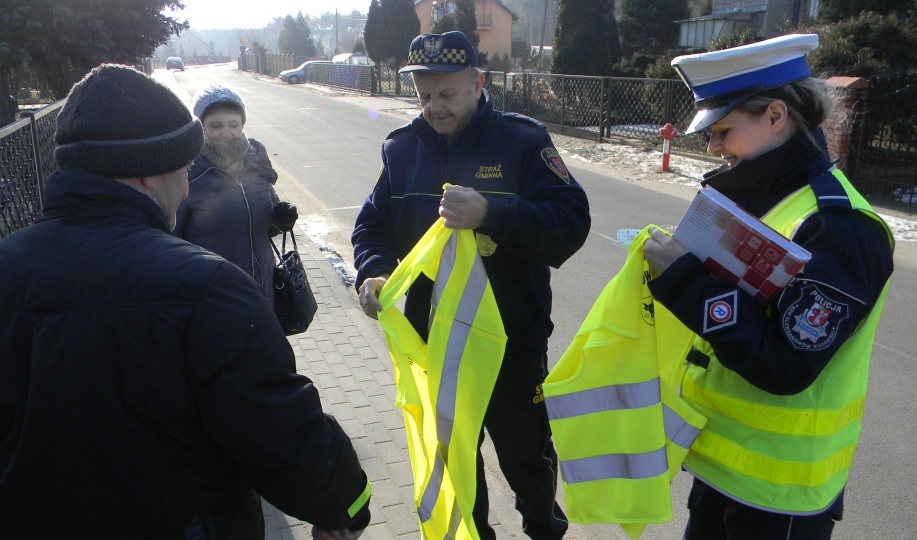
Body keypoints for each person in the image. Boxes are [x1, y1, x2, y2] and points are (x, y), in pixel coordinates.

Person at [0, 64, 370, 539]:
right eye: (183, 162)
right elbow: (279, 430)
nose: (189, 179)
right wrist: (347, 505)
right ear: (152, 172)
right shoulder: (206, 287)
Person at [644, 35, 895, 539]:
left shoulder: (839, 226)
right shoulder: (768, 196)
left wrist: (683, 280)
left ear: (776, 116)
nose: (713, 147)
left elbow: (785, 364)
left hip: (779, 497)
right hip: (724, 468)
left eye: (724, 130)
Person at [352, 31, 590, 540]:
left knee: (527, 458)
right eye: (423, 95)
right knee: (457, 463)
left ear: (478, 83)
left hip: (512, 345)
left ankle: (544, 529)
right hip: (434, 347)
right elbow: (370, 225)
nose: (434, 108)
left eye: (447, 94)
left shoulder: (523, 141)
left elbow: (571, 224)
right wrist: (373, 269)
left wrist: (492, 214)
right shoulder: (402, 148)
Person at [173, 83, 298, 305]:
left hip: (263, 290)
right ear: (200, 126)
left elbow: (268, 229)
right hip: (213, 295)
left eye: (233, 124)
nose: (226, 133)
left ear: (242, 125)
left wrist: (280, 221)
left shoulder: (256, 164)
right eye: (216, 126)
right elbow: (170, 241)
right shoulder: (189, 174)